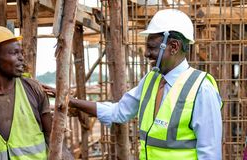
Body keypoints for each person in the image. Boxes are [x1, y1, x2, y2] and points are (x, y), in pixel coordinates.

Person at [58, 9, 222, 159]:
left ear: (173, 46)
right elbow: (119, 111)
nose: (146, 53)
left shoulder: (202, 89)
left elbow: (210, 153)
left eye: (152, 47)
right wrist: (71, 100)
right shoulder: (151, 80)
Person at [0, 24, 70, 159]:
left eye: (21, 52)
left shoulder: (33, 89)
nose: (21, 58)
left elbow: (53, 138)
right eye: (14, 53)